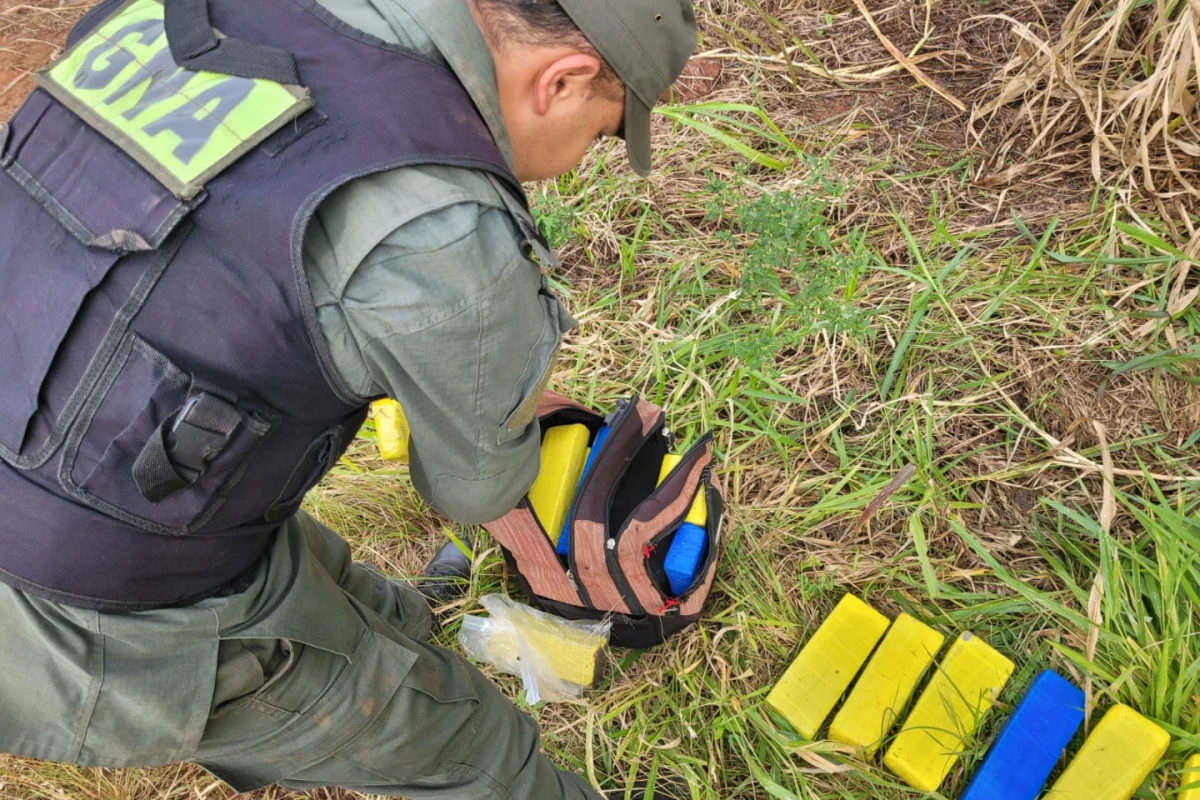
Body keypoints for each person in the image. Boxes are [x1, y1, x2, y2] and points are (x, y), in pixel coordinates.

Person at [0, 0, 696, 797]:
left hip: (82, 446)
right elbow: (476, 488)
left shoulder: (201, 10)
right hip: (75, 610)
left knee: (304, 560)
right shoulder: (439, 227)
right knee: (468, 747)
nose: (582, 159)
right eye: (603, 134)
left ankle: (396, 625)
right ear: (564, 80)